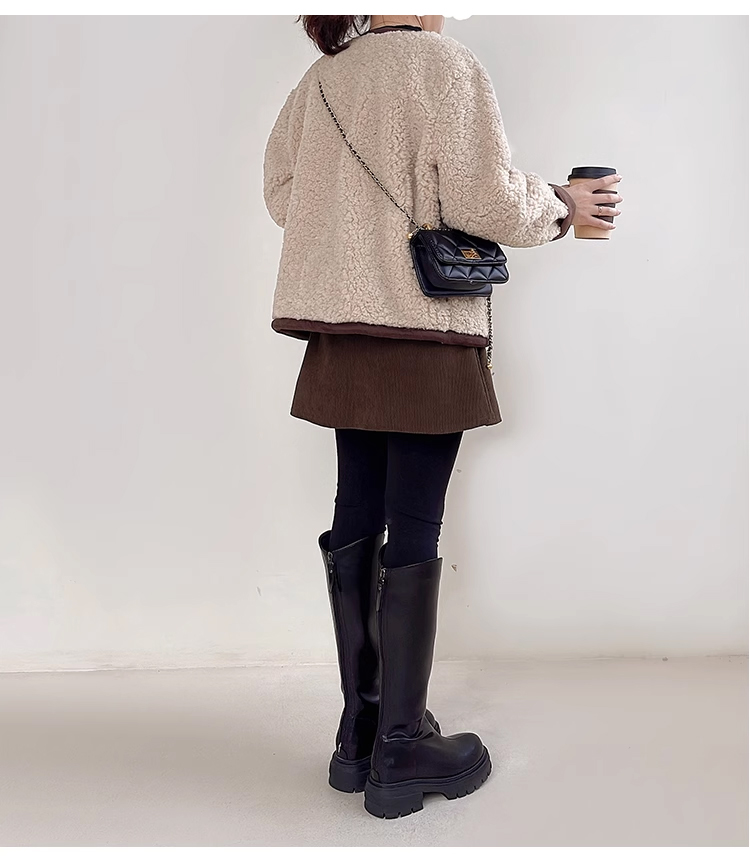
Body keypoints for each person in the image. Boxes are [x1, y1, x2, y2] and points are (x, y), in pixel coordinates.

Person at [263, 14, 622, 819]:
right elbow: (481, 197)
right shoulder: (444, 64)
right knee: (415, 523)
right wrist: (562, 204)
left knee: (357, 512)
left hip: (342, 327)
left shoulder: (322, 78)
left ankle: (360, 732)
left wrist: (355, 234)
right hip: (424, 327)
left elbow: (284, 195)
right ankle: (399, 748)